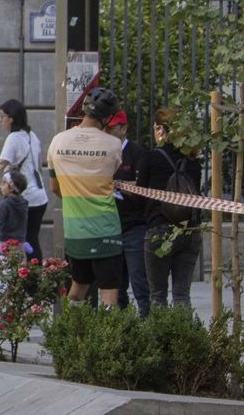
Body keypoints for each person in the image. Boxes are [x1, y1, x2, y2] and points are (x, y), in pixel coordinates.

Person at [47, 87, 124, 307]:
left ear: (83, 109)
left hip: (75, 231)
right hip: (106, 230)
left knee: (78, 287)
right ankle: (107, 337)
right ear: (108, 117)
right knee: (109, 295)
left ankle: (73, 333)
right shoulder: (113, 146)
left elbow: (54, 187)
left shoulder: (57, 142)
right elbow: (111, 174)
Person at [137, 107, 203, 311]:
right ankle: (184, 340)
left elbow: (140, 196)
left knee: (157, 295)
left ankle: (161, 342)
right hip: (189, 231)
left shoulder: (151, 157)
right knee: (182, 294)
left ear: (160, 130)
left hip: (159, 229)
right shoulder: (193, 162)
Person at [0, 100, 49, 261]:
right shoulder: (31, 135)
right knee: (32, 239)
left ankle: (25, 281)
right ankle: (35, 279)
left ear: (11, 118)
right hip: (40, 197)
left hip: (25, 197)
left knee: (15, 239)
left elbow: (1, 163)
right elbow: (39, 166)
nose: (1, 120)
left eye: (2, 116)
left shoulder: (13, 138)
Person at [108, 110, 151, 316]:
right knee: (116, 283)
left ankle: (146, 321)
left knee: (139, 281)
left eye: (113, 128)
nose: (109, 132)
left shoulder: (137, 154)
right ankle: (122, 326)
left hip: (134, 225)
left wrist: (121, 186)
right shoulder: (104, 153)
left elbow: (143, 189)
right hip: (111, 224)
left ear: (124, 128)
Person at [0, 170, 30, 249]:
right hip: (20, 241)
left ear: (12, 188)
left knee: (5, 260)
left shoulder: (6, 203)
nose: (1, 186)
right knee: (18, 260)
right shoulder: (24, 203)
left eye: (4, 183)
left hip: (5, 241)